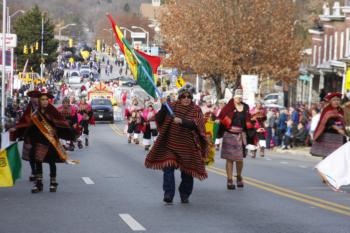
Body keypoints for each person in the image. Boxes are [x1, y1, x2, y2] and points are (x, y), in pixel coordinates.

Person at [145, 83, 208, 204]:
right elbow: (158, 119)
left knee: (187, 172)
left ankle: (185, 194)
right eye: (183, 97)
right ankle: (168, 193)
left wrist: (183, 121)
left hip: (188, 146)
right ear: (179, 97)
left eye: (188, 97)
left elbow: (198, 124)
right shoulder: (171, 106)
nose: (186, 99)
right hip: (170, 144)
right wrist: (164, 106)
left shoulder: (196, 109)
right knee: (168, 167)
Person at [14, 92, 76, 193]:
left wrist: (59, 130)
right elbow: (30, 126)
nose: (45, 101)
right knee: (37, 161)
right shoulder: (35, 114)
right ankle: (39, 183)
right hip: (38, 140)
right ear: (39, 101)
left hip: (50, 141)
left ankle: (53, 182)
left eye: (46, 99)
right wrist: (20, 133)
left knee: (52, 162)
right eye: (42, 99)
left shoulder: (53, 111)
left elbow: (61, 123)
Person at [217, 88, 250, 190]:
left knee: (239, 159)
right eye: (237, 97)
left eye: (240, 97)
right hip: (229, 134)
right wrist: (218, 122)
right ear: (234, 97)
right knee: (230, 159)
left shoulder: (245, 107)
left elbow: (248, 120)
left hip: (240, 135)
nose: (239, 98)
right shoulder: (228, 107)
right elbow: (221, 118)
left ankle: (239, 176)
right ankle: (230, 179)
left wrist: (252, 130)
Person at [10, 90, 41, 182]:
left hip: (41, 135)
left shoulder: (43, 108)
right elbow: (23, 121)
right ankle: (34, 172)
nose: (33, 99)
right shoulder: (29, 109)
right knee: (31, 155)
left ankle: (39, 173)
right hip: (30, 135)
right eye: (32, 98)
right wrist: (16, 128)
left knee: (39, 155)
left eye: (35, 97)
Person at [311, 92, 347, 158]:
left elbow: (342, 122)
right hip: (329, 136)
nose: (336, 102)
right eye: (334, 100)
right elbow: (330, 122)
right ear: (330, 101)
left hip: (339, 137)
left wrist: (344, 129)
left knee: (337, 157)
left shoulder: (340, 110)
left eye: (338, 100)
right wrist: (338, 129)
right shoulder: (327, 110)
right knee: (328, 157)